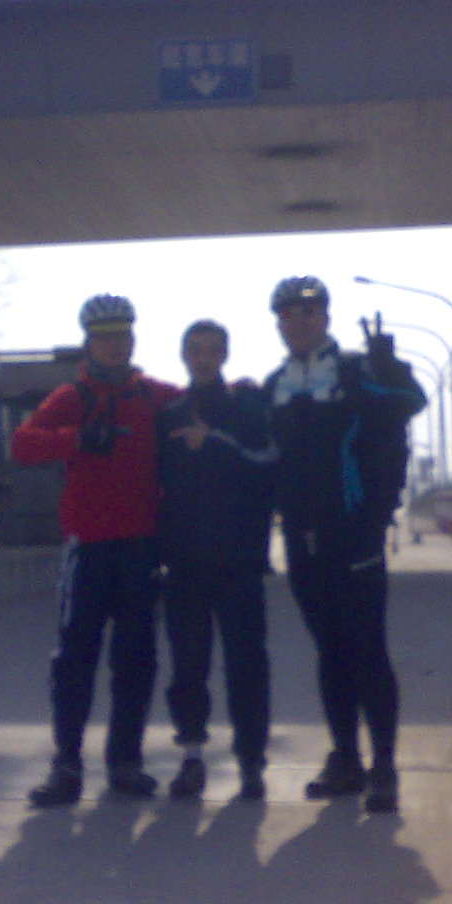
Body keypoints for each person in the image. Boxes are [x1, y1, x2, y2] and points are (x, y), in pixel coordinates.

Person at [264, 276, 427, 813]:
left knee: (367, 649)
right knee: (330, 651)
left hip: (355, 533)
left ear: (326, 317)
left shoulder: (356, 370)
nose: (299, 321)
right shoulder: (274, 386)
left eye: (309, 312)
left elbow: (411, 401)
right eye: (289, 314)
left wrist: (387, 368)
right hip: (302, 538)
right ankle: (345, 759)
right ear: (279, 323)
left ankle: (384, 765)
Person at [10, 294, 179, 807]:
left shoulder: (152, 396)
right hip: (88, 550)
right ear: (89, 342)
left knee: (136, 661)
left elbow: (206, 404)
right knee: (74, 661)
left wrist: (244, 392)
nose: (114, 345)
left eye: (121, 335)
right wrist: (79, 438)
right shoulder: (72, 397)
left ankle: (124, 763)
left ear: (133, 339)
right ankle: (66, 766)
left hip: (140, 548)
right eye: (104, 337)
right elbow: (22, 445)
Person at [158, 319, 277, 802]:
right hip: (185, 565)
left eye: (212, 350)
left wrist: (216, 442)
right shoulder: (169, 415)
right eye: (196, 350)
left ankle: (251, 762)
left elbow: (268, 467)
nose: (204, 358)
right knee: (188, 667)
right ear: (184, 355)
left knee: (247, 666)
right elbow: (155, 486)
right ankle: (191, 757)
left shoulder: (246, 410)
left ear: (225, 354)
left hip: (239, 563)